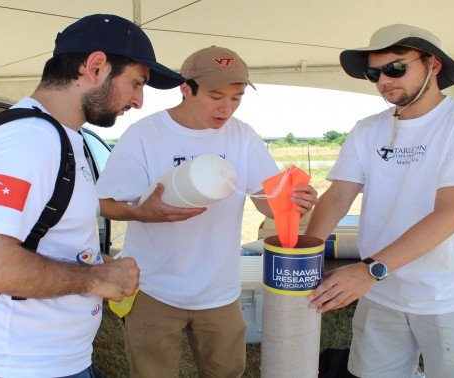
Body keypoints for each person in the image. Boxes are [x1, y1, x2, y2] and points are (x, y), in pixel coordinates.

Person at [0, 14, 185, 378]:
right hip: (18, 367)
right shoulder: (27, 139)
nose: (138, 100)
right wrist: (93, 279)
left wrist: (95, 261)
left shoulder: (63, 136)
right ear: (95, 66)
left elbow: (43, 238)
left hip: (59, 359)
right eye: (136, 83)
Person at [95, 46, 317, 377]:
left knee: (226, 372)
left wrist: (290, 201)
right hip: (154, 287)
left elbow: (264, 200)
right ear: (186, 89)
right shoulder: (146, 134)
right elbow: (105, 203)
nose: (226, 108)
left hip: (220, 291)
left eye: (236, 98)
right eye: (216, 96)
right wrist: (145, 212)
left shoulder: (242, 136)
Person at [304, 24, 454, 378]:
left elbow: (451, 213)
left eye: (395, 68)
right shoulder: (367, 129)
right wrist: (307, 254)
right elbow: (337, 197)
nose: (384, 80)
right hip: (384, 293)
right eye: (374, 73)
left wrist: (369, 270)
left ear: (434, 65)